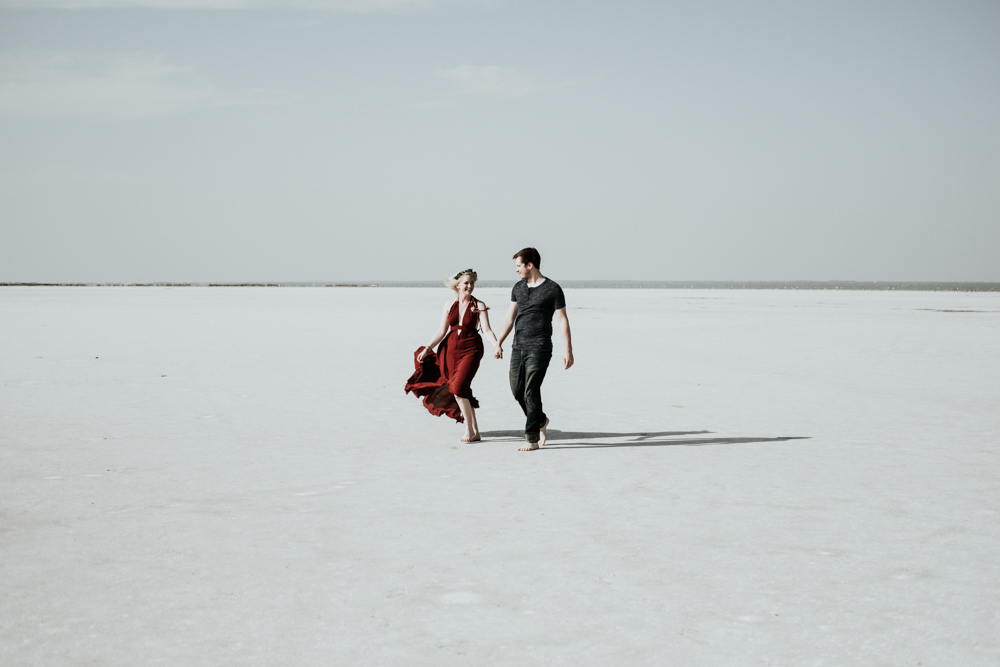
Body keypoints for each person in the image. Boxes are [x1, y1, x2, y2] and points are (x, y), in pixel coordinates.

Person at [405, 269, 501, 443]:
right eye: (466, 283)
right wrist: (427, 348)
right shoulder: (449, 304)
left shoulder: (479, 305)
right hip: (449, 351)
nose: (470, 286)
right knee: (462, 389)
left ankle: (469, 429)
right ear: (458, 285)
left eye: (472, 283)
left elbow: (486, 330)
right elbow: (442, 330)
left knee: (457, 388)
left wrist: (496, 345)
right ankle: (476, 432)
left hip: (471, 349)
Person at [494, 248, 574, 451]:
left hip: (540, 347)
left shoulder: (553, 289)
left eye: (518, 266)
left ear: (530, 265)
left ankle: (532, 439)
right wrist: (499, 342)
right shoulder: (518, 288)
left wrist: (568, 350)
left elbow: (562, 319)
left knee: (531, 391)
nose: (516, 270)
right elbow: (510, 318)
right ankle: (541, 421)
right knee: (517, 390)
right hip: (518, 346)